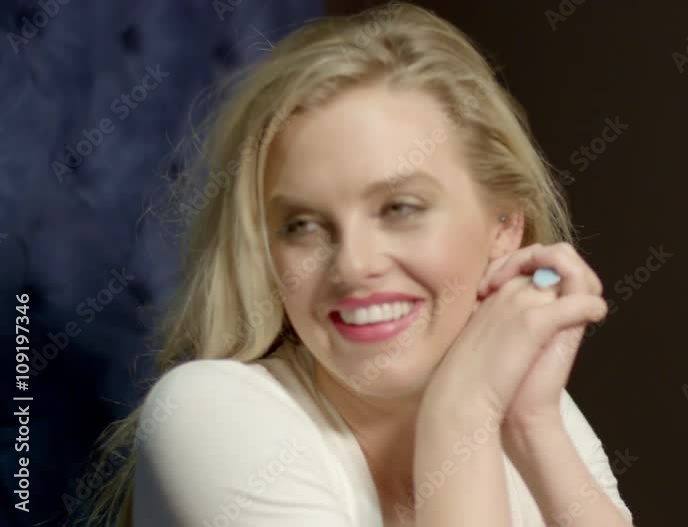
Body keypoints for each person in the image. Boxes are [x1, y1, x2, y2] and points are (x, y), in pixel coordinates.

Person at [84, 2, 633, 526]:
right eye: (302, 225)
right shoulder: (209, 414)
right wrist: (462, 412)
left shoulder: (533, 409)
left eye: (400, 208)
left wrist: (533, 427)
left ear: (504, 228)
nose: (352, 265)